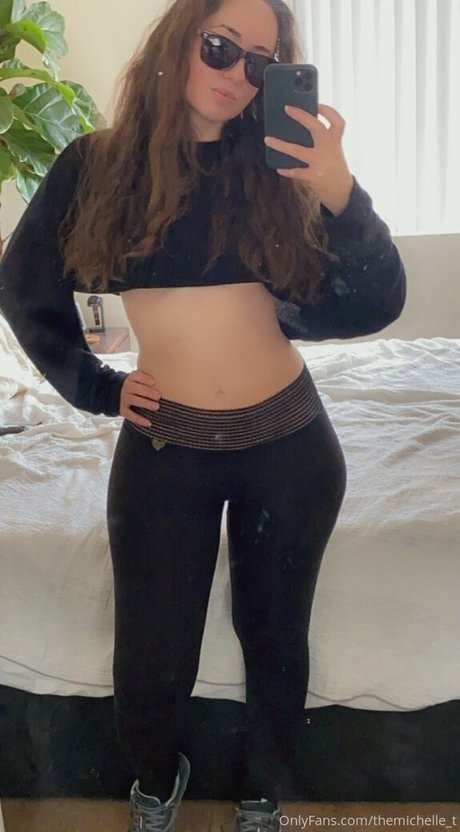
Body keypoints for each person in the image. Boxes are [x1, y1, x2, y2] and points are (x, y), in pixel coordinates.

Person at [0, 0, 407, 829]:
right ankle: (157, 781)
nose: (237, 74)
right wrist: (96, 386)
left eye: (260, 62)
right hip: (168, 443)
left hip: (289, 446)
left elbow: (376, 303)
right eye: (220, 47)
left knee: (276, 638)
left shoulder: (282, 170)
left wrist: (340, 192)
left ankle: (264, 793)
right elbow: (23, 285)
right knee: (151, 655)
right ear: (179, 40)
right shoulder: (97, 167)